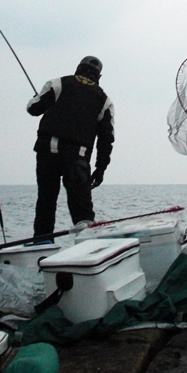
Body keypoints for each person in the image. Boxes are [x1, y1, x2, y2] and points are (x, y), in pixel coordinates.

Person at [27, 56, 115, 241]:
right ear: (99, 76)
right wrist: (100, 169)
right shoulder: (104, 100)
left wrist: (38, 98)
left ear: (78, 68)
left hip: (46, 153)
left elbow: (33, 108)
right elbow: (106, 140)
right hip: (77, 157)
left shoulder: (57, 83)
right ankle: (88, 248)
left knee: (46, 200)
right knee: (82, 210)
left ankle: (42, 242)